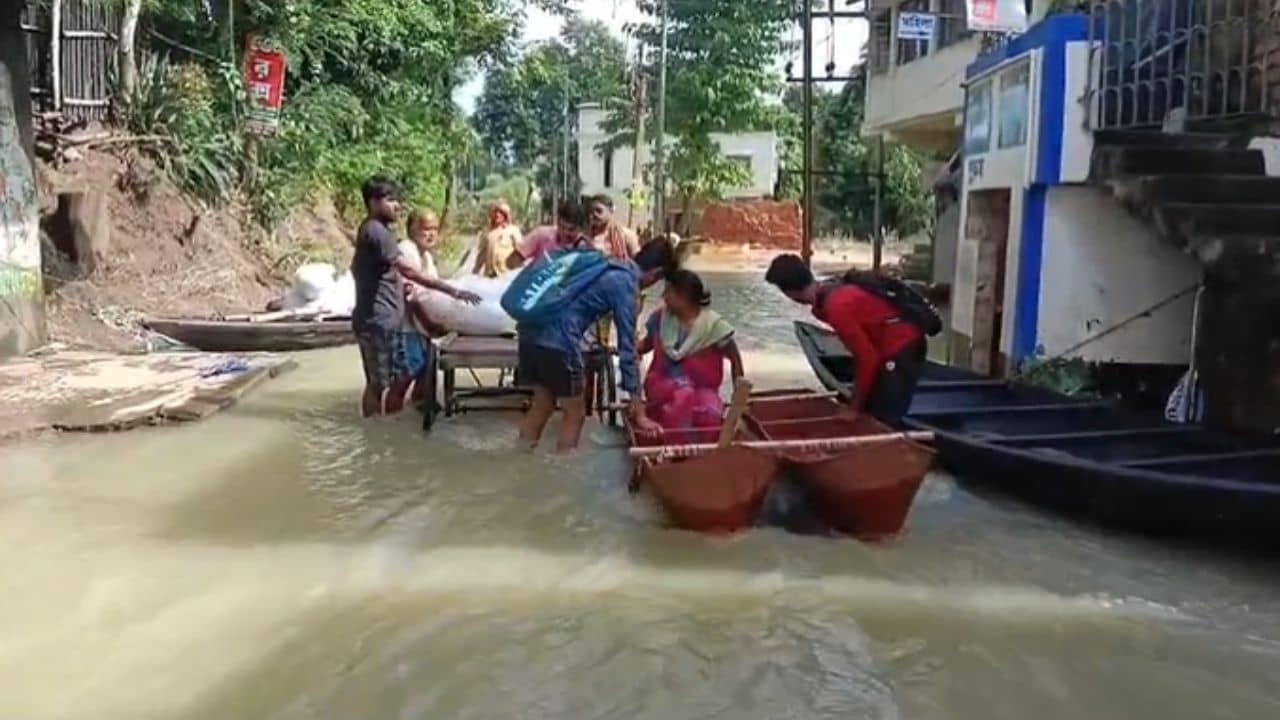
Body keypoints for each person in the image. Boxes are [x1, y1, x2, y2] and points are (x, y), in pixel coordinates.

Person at [517, 228, 681, 452]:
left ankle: (520, 458)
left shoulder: (605, 265)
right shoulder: (626, 286)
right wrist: (639, 411)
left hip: (530, 333)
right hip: (559, 341)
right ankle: (562, 478)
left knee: (542, 404)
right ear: (655, 274)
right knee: (575, 413)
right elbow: (627, 350)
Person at [351, 177, 480, 418]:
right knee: (383, 383)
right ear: (372, 202)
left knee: (392, 379)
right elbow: (408, 272)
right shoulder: (377, 232)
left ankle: (387, 427)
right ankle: (378, 432)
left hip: (385, 319)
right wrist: (452, 291)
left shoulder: (377, 232)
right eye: (390, 200)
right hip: (379, 320)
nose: (397, 205)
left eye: (398, 200)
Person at [765, 254, 926, 423]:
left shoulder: (836, 307)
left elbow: (867, 358)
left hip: (903, 347)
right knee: (872, 403)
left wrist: (853, 408)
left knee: (882, 418)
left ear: (788, 292)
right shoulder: (829, 291)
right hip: (890, 344)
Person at [638, 269, 744, 442]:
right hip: (661, 384)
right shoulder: (659, 318)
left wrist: (738, 398)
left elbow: (735, 359)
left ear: (683, 296)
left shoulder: (714, 326)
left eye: (668, 291)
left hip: (704, 389)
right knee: (683, 395)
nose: (663, 296)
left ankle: (700, 456)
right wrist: (629, 351)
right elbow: (646, 344)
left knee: (711, 413)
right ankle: (675, 448)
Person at [504, 200, 590, 270]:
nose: (565, 232)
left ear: (581, 228)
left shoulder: (585, 246)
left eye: (571, 229)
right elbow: (511, 262)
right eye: (561, 227)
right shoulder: (541, 234)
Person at [473, 200, 522, 278]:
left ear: (506, 215)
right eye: (495, 212)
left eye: (501, 212)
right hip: (490, 276)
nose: (497, 215)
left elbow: (520, 253)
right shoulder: (487, 233)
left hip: (506, 275)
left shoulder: (513, 231)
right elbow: (481, 255)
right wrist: (475, 272)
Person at [587, 194, 640, 260]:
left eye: (599, 211)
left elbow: (638, 261)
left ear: (611, 210)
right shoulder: (587, 237)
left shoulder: (626, 235)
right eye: (591, 212)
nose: (594, 215)